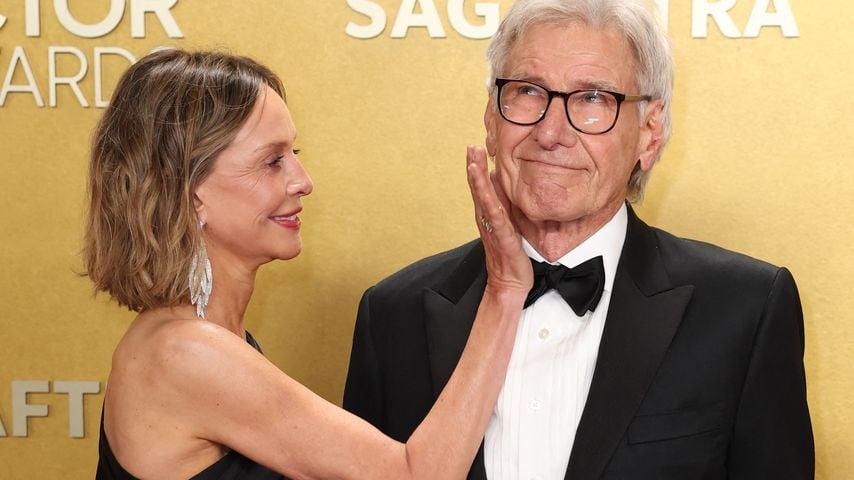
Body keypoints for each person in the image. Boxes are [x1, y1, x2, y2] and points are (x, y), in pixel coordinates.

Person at [342, 0, 814, 478]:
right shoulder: (391, 314)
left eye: (592, 99)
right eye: (528, 91)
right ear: (491, 120)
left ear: (650, 133)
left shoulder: (745, 310)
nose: (550, 132)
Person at [85, 48, 531, 479]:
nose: (303, 181)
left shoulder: (202, 339)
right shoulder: (186, 355)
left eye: (294, 155)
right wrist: (505, 290)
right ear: (191, 191)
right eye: (272, 161)